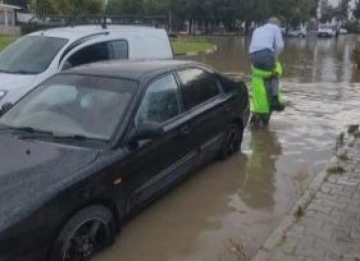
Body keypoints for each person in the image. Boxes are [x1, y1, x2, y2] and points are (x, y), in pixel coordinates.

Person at [249, 17, 285, 127]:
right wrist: (274, 58)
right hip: (265, 54)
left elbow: (253, 45)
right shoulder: (275, 28)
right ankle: (274, 99)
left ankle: (257, 119)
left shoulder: (258, 29)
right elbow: (279, 46)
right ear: (277, 24)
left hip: (252, 56)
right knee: (275, 72)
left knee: (267, 75)